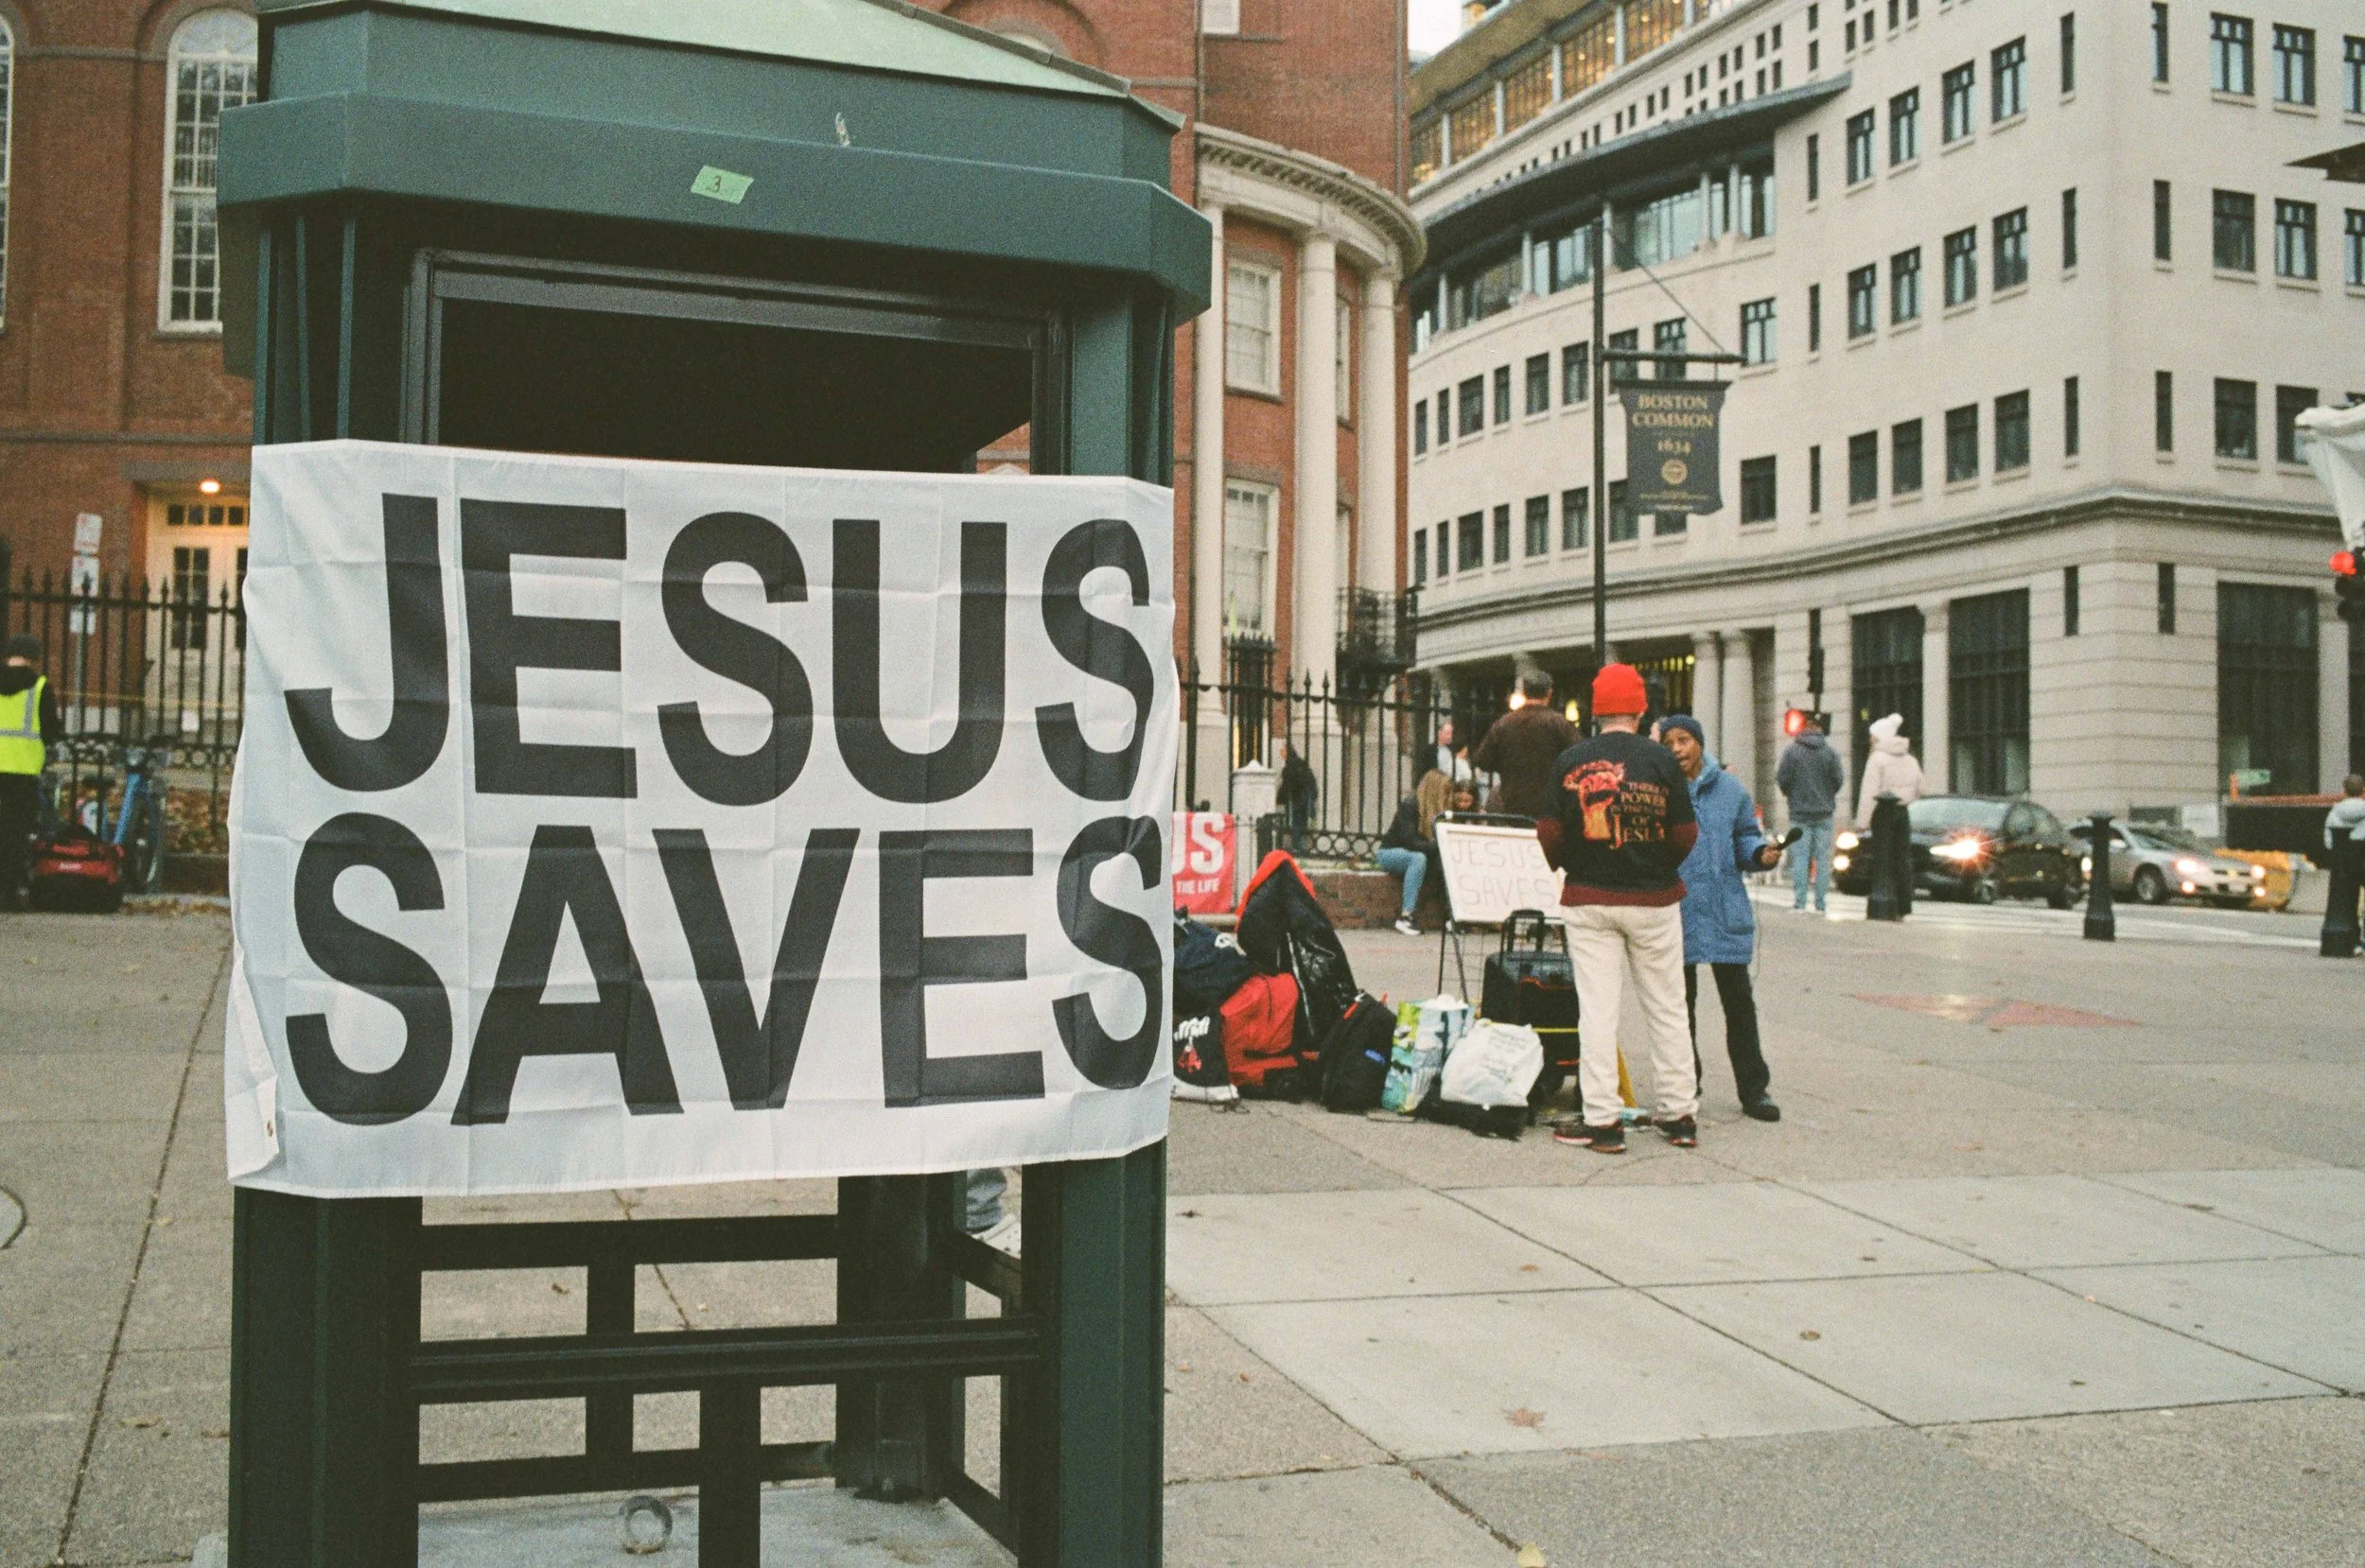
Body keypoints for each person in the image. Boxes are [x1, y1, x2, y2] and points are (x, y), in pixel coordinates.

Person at [1533, 663, 1700, 1155]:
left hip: (1590, 897)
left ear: (1595, 710)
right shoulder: (1662, 760)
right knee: (1668, 1007)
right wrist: (1659, 863)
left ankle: (1603, 1121)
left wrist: (1569, 864)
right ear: (1641, 708)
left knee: (1598, 1011)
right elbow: (1685, 832)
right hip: (1654, 898)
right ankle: (1679, 1114)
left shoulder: (1571, 759)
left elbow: (1548, 830)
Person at [1659, 716, 1783, 1122]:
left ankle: (1754, 1089)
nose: (1677, 749)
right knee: (1680, 1005)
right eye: (1670, 742)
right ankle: (1684, 1085)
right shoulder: (1658, 788)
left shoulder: (1730, 790)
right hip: (1676, 909)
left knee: (1739, 1004)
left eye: (1685, 740)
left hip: (1723, 906)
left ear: (1700, 742)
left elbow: (1745, 836)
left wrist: (1759, 853)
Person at [2, 633, 62, 911]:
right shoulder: (40, 687)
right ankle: (8, 895)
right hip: (22, 772)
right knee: (14, 835)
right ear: (34, 658)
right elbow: (51, 731)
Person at [1474, 672, 1580, 822]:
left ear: (1523, 692)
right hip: (1550, 807)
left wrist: (1507, 764)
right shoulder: (1559, 723)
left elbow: (1482, 760)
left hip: (1512, 805)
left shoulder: (1504, 723)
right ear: (1549, 693)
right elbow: (1578, 759)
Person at [1775, 710, 1845, 914]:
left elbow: (1783, 779)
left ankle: (1800, 902)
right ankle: (1821, 904)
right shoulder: (1829, 752)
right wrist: (1826, 795)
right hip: (1824, 812)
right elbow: (1838, 780)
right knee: (1822, 860)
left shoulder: (1792, 752)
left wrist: (1792, 795)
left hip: (1800, 812)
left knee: (1800, 858)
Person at [1378, 769, 1456, 935]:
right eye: (1445, 791)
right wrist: (1437, 845)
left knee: (1443, 863)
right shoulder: (1410, 805)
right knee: (1418, 858)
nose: (1447, 796)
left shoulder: (1439, 811)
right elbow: (1410, 841)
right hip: (1390, 853)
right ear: (1434, 790)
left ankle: (1451, 916)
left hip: (1419, 855)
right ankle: (1406, 916)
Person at [1855, 712, 1924, 827]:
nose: (1870, 739)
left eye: (1872, 736)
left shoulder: (1876, 759)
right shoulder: (1911, 760)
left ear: (1878, 738)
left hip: (1882, 813)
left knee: (1882, 844)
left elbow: (1869, 793)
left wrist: (1862, 823)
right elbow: (1921, 789)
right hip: (1905, 814)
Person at [1276, 740, 1318, 851]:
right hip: (1304, 798)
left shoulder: (1291, 766)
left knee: (1296, 823)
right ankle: (1300, 847)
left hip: (1299, 799)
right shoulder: (1299, 763)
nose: (1281, 752)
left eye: (1283, 750)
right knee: (1301, 823)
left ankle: (1299, 848)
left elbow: (1288, 785)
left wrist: (1279, 799)